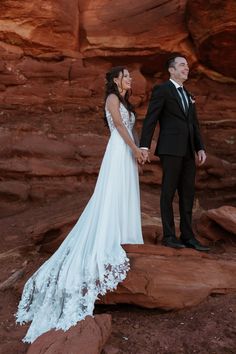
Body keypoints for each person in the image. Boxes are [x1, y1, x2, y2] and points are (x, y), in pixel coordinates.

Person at [16, 66, 144, 343]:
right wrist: (133, 148)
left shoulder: (126, 102)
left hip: (127, 151)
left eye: (130, 76)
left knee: (125, 192)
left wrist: (138, 151)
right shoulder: (112, 99)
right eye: (127, 76)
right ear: (115, 79)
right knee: (110, 194)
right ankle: (109, 235)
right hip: (118, 150)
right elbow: (120, 127)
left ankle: (123, 232)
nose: (131, 79)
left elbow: (130, 126)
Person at [140, 54, 209, 252]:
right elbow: (151, 118)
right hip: (170, 149)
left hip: (188, 150)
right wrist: (145, 145)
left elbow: (193, 124)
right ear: (171, 70)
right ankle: (169, 236)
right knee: (168, 192)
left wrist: (200, 147)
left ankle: (188, 236)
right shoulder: (163, 90)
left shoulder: (188, 94)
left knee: (188, 193)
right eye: (181, 65)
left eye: (186, 66)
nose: (186, 68)